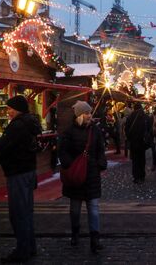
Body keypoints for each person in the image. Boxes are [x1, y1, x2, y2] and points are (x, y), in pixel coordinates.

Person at [0, 95, 41, 263]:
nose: (8, 111)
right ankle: (29, 247)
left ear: (17, 109)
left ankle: (22, 250)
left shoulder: (18, 126)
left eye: (10, 108)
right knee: (26, 212)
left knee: (18, 213)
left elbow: (3, 146)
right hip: (28, 171)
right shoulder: (29, 123)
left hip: (18, 172)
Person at [58, 100, 107, 254]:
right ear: (79, 115)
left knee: (93, 209)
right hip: (76, 176)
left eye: (89, 112)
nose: (89, 115)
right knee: (75, 210)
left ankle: (95, 238)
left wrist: (100, 163)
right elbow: (63, 151)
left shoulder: (95, 131)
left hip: (92, 174)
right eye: (86, 113)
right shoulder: (69, 131)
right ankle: (75, 234)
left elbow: (100, 149)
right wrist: (69, 164)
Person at [125, 103, 149, 184]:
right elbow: (149, 129)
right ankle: (142, 175)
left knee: (135, 160)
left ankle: (136, 177)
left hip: (134, 142)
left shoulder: (130, 117)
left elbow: (126, 130)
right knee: (142, 159)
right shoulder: (145, 117)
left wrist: (130, 138)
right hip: (142, 142)